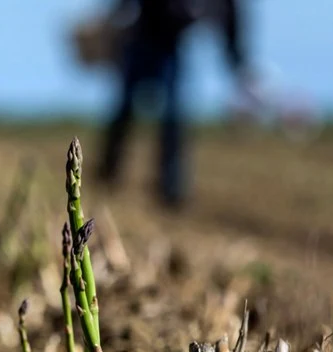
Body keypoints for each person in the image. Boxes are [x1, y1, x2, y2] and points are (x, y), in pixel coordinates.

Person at [95, 0, 256, 210]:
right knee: (125, 110)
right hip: (142, 37)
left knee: (173, 116)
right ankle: (108, 173)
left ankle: (171, 189)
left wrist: (237, 60)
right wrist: (113, 20)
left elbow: (228, 17)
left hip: (172, 46)